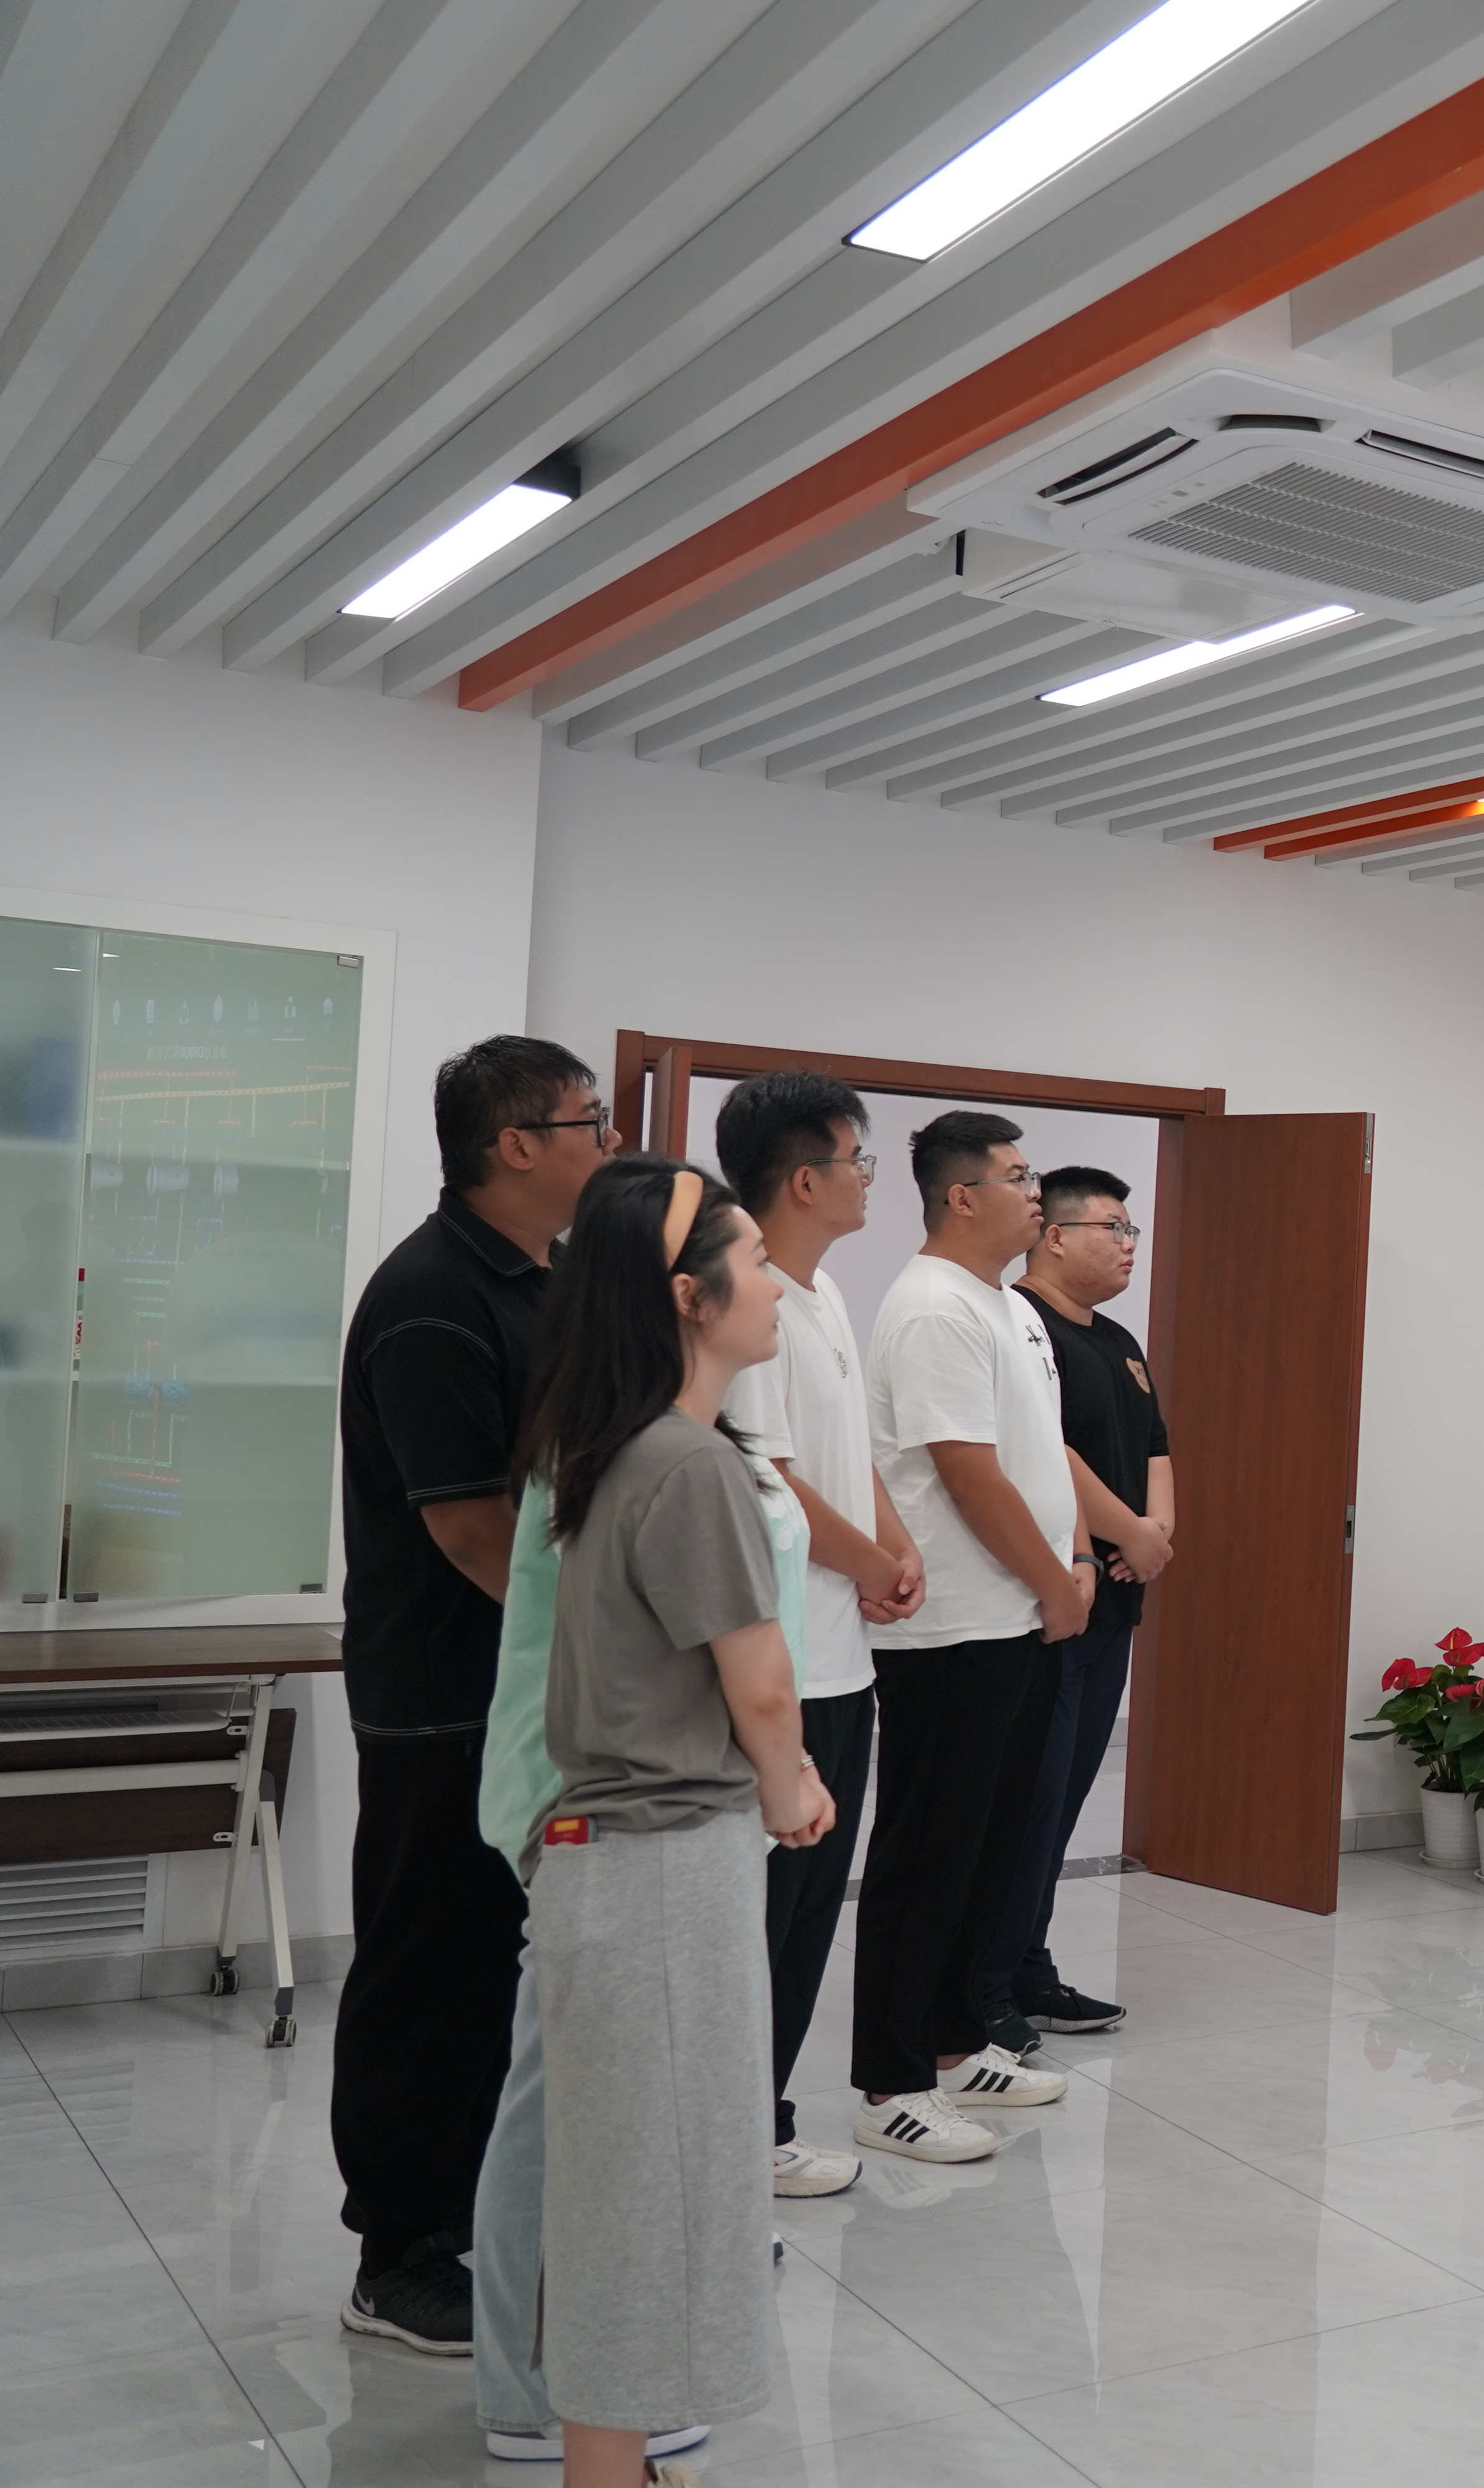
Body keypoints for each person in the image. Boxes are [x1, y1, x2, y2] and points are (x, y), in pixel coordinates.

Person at [503, 1154, 833, 2488]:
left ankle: (615, 2460)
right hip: (654, 1867)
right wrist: (793, 1786)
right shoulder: (685, 1463)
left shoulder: (625, 1444)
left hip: (626, 1860)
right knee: (646, 2195)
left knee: (630, 2186)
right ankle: (604, 2470)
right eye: (753, 1262)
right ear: (691, 1299)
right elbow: (757, 1679)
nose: (775, 1285)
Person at [332, 1035, 614, 2353]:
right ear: (514, 1143)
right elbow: (466, 1525)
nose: (606, 1142)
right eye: (589, 1121)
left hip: (515, 1686)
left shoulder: (540, 1278)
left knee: (494, 1972)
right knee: (426, 1969)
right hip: (444, 1691)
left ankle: (472, 2220)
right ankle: (398, 2254)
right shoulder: (435, 1296)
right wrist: (588, 1642)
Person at [851, 1110, 1089, 2161]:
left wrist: (1071, 1566)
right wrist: (1051, 1582)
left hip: (1018, 1616)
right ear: (961, 1196)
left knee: (988, 1848)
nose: (1035, 1193)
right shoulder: (932, 1307)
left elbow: (1039, 1456)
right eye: (1017, 1176)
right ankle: (891, 2081)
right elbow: (966, 1471)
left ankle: (955, 2043)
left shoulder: (1006, 1306)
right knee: (928, 1856)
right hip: (951, 1628)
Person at [713, 1071, 925, 2196]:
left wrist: (895, 1548)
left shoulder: (827, 1293)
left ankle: (768, 2122)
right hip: (783, 1659)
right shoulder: (751, 1308)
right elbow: (775, 1479)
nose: (869, 1182)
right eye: (858, 1163)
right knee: (761, 1921)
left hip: (844, 1660)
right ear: (805, 1180)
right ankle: (732, 2135)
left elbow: (852, 1461)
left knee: (805, 1921)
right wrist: (869, 1561)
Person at [979, 1165, 1174, 2049]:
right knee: (1026, 1803)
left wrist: (1155, 1533)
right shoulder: (1023, 1324)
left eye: (1133, 1231)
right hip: (1050, 1603)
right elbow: (1044, 1451)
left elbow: (1156, 1445)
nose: (1130, 1245)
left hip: (1115, 1606)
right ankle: (987, 1986)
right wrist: (1128, 1531)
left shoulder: (1120, 1339)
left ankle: (1031, 1967)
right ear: (1055, 1236)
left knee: (1060, 1807)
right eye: (1114, 1229)